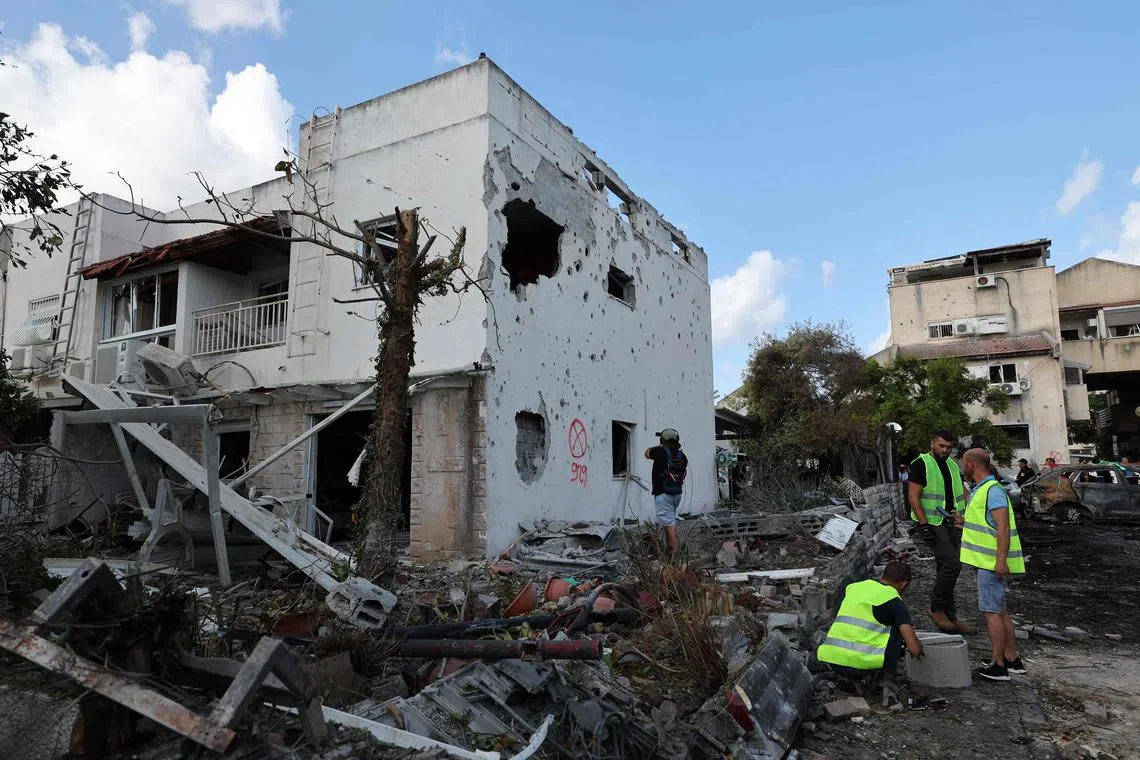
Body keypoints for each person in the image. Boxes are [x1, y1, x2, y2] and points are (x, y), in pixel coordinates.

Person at [957, 448, 1027, 681]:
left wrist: (1000, 560)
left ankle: (998, 665)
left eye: (963, 464)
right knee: (999, 610)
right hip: (987, 561)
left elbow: (1002, 527)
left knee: (991, 614)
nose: (961, 468)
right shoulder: (983, 489)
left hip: (991, 563)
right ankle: (1011, 658)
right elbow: (986, 524)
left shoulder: (992, 491)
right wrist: (963, 522)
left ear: (970, 465)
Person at [907, 430, 974, 634]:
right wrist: (923, 523)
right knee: (952, 564)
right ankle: (936, 608)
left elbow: (961, 492)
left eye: (948, 447)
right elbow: (913, 496)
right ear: (932, 444)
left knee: (944, 567)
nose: (945, 450)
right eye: (941, 446)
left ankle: (950, 615)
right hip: (933, 522)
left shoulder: (952, 465)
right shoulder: (921, 463)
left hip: (950, 522)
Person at [817, 561, 924, 684]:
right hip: (860, 665)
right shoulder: (894, 601)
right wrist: (920, 647)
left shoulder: (854, 588)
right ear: (904, 583)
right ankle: (883, 680)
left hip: (831, 659)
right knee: (897, 628)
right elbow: (914, 649)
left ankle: (848, 678)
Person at [644, 428, 687, 554]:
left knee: (669, 525)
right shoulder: (682, 456)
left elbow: (646, 453)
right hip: (676, 493)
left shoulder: (659, 451)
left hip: (664, 493)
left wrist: (661, 445)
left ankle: (674, 555)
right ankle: (672, 551)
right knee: (671, 522)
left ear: (662, 440)